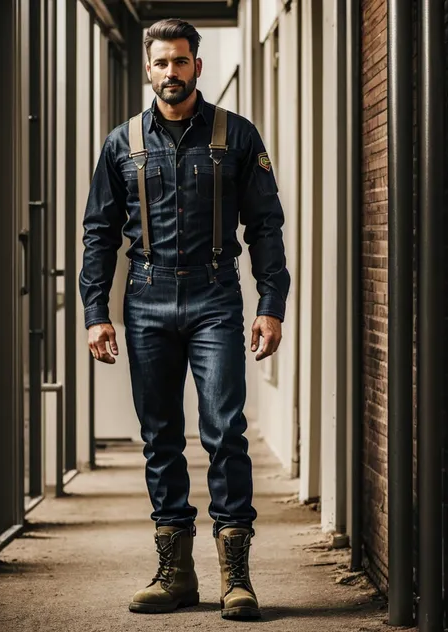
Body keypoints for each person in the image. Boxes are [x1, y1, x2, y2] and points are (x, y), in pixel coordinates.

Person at [79, 18, 290, 620]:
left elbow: (266, 228)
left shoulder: (237, 136)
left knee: (225, 431)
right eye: (160, 63)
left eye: (180, 62)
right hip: (144, 302)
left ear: (197, 64)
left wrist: (270, 305)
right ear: (148, 69)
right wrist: (97, 312)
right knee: (160, 437)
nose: (170, 73)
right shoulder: (122, 143)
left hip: (217, 299)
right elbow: (98, 234)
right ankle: (175, 574)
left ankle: (237, 579)